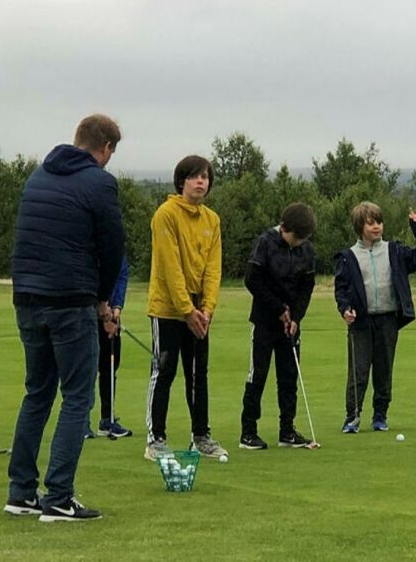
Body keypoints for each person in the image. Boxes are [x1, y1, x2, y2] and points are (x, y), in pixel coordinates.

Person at [5, 114, 125, 522]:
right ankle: (58, 497)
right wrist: (103, 299)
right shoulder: (100, 182)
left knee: (37, 392)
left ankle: (21, 492)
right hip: (70, 299)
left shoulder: (38, 175)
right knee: (78, 397)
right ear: (105, 148)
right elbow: (112, 248)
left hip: (27, 296)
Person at [144, 155, 225, 461]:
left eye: (205, 177)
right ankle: (155, 439)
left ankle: (201, 437)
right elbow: (170, 266)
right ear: (182, 181)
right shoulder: (165, 215)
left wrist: (206, 308)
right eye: (194, 177)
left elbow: (213, 268)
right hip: (168, 308)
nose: (200, 182)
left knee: (197, 374)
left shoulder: (212, 220)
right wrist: (186, 310)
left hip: (198, 311)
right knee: (164, 370)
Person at [334, 202, 416, 433]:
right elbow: (341, 288)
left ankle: (380, 415)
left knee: (383, 369)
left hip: (388, 319)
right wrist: (344, 309)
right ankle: (352, 417)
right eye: (370, 223)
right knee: (358, 371)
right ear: (360, 226)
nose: (376, 227)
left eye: (378, 221)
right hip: (360, 322)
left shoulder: (394, 251)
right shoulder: (348, 256)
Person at [239, 203, 317, 450]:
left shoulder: (307, 250)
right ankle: (248, 432)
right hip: (264, 320)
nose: (298, 243)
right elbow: (252, 280)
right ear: (283, 227)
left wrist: (295, 317)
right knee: (257, 375)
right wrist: (277, 309)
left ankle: (287, 431)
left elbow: (307, 286)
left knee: (289, 376)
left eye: (303, 239)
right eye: (295, 238)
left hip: (290, 324)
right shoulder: (266, 242)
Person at [86, 256, 133, 439]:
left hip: (111, 313)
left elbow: (121, 276)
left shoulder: (118, 248)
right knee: (87, 367)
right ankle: (82, 421)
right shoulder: (94, 243)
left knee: (110, 367)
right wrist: (103, 311)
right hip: (88, 311)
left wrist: (117, 309)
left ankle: (107, 419)